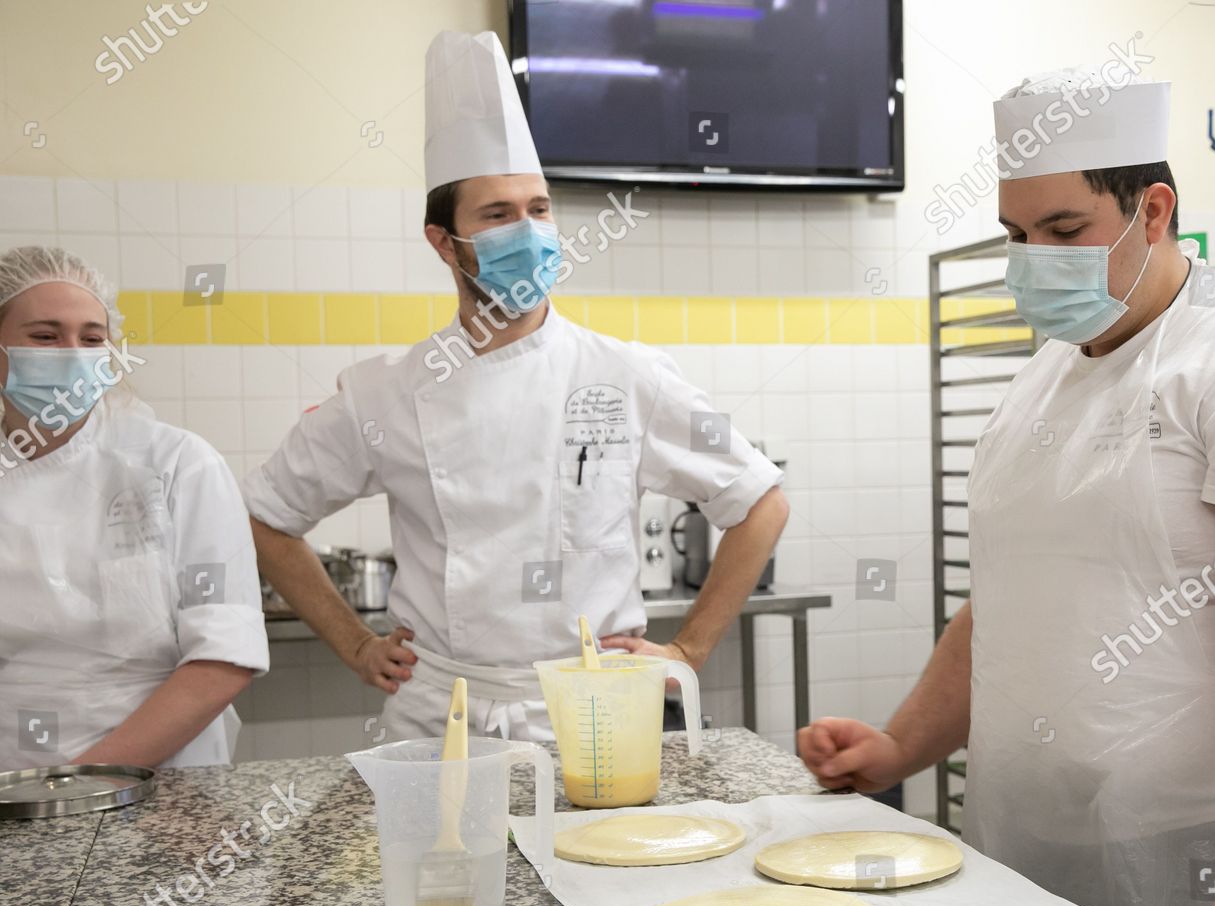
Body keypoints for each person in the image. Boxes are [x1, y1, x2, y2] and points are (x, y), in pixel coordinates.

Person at [800, 69, 1215, 906]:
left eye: (1064, 231)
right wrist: (896, 748)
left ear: (1152, 210)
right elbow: (1006, 605)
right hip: (1038, 852)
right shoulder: (1045, 379)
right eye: (1017, 235)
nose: (1033, 259)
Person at [245, 31, 787, 743]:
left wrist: (688, 650)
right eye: (498, 216)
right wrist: (355, 643)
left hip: (597, 719)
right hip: (443, 722)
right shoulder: (385, 392)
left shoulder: (625, 375)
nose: (528, 232)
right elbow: (265, 514)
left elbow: (761, 502)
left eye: (539, 209)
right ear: (446, 243)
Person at [0, 246, 268, 769]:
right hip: (15, 777)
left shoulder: (176, 464)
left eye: (92, 338)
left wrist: (82, 781)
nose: (73, 353)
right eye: (45, 336)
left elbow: (222, 658)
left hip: (165, 780)